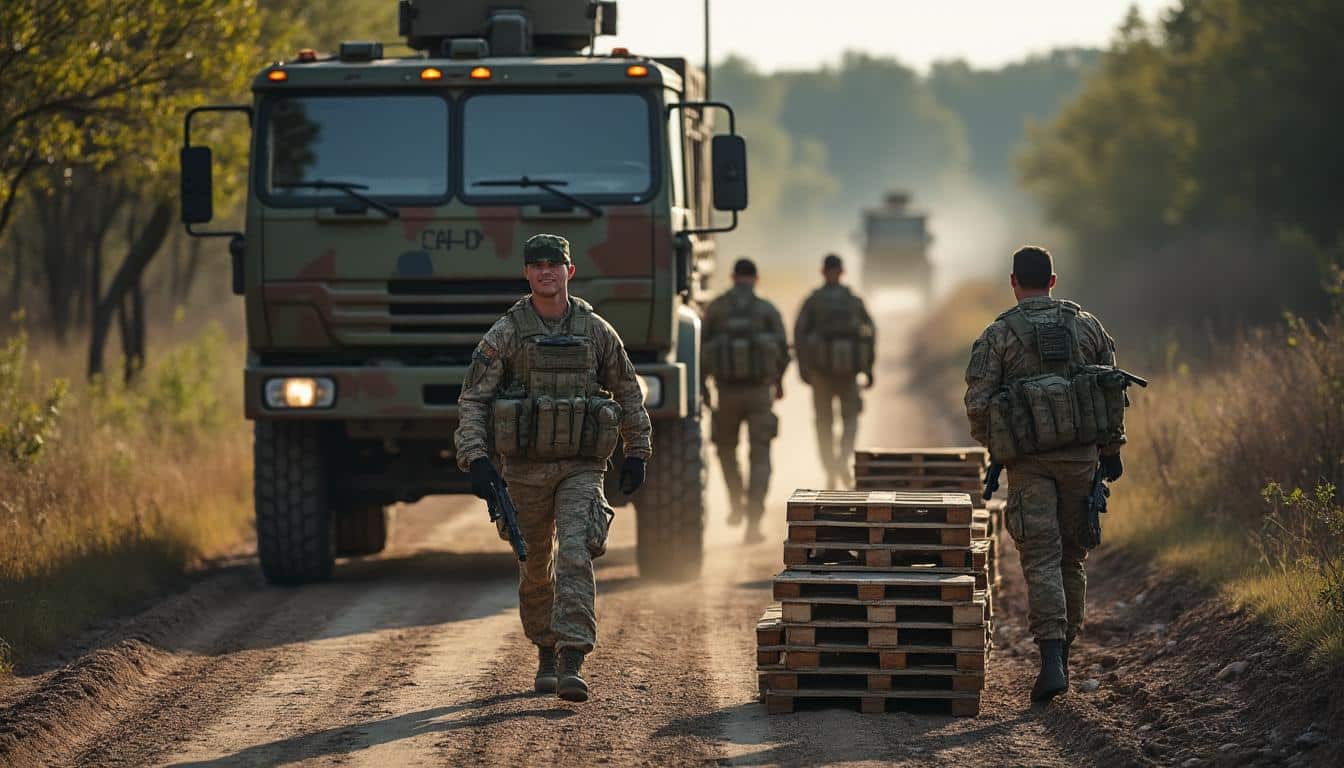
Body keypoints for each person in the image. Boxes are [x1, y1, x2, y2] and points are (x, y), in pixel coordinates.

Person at [455, 233, 651, 703]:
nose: (546, 271)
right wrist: (476, 458)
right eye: (537, 264)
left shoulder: (595, 330)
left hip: (581, 467)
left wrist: (638, 451)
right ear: (526, 273)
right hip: (524, 471)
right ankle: (544, 648)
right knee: (535, 567)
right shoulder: (506, 333)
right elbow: (474, 399)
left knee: (576, 553)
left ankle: (571, 658)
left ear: (570, 271)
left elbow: (627, 390)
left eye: (554, 264)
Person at [963, 245, 1125, 703]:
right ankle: (1063, 656)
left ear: (1013, 282)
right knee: (1071, 558)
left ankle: (1051, 657)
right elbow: (1112, 391)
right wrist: (1111, 451)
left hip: (1029, 464)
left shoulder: (998, 335)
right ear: (1053, 281)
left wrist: (1000, 446)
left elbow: (977, 404)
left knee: (1039, 559)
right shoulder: (1086, 326)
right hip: (1081, 461)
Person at [701, 258, 790, 544]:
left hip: (725, 393)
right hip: (759, 393)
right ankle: (753, 521)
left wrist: (703, 387)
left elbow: (700, 349)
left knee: (726, 450)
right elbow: (783, 351)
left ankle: (736, 502)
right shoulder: (767, 309)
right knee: (760, 456)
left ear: (732, 276)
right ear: (756, 278)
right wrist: (777, 383)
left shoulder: (716, 308)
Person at [794, 254, 875, 489]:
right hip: (848, 373)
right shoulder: (853, 300)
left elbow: (799, 334)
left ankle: (831, 468)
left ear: (823, 271)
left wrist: (803, 368)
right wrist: (868, 367)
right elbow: (870, 333)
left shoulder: (814, 300)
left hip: (821, 374)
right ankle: (841, 461)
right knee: (850, 420)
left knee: (824, 424)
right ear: (842, 272)